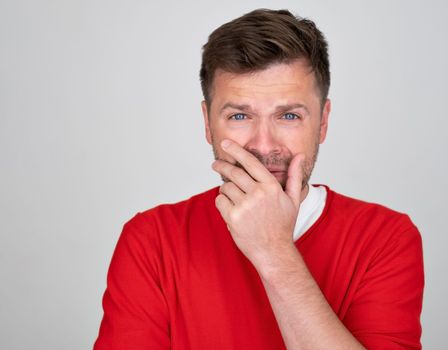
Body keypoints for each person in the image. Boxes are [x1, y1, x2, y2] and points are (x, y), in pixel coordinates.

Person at [94, 8, 424, 350]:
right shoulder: (152, 239)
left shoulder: (386, 237)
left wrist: (274, 250)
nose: (264, 146)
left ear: (323, 122)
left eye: (289, 116)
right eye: (239, 115)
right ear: (208, 124)